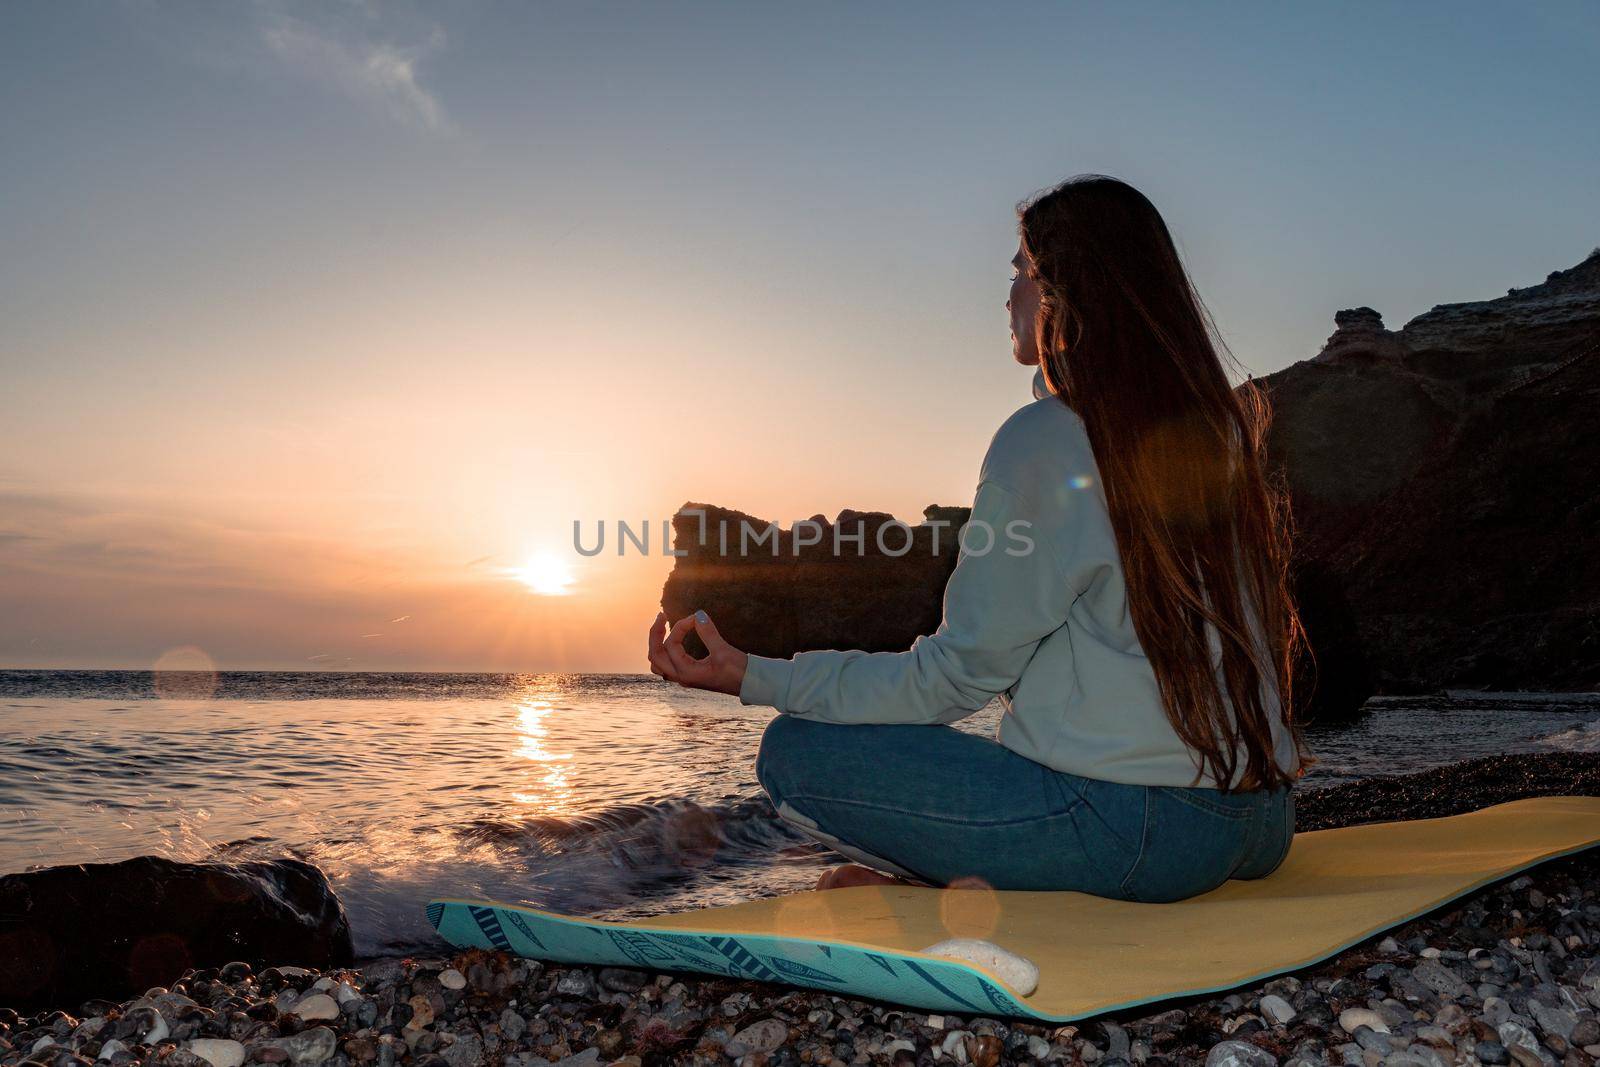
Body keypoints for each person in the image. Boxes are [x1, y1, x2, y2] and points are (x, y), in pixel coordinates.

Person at [646, 174, 1315, 903]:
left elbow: (953, 677)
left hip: (1142, 836)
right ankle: (933, 872)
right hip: (1260, 821)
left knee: (796, 750)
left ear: (1068, 292)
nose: (1009, 296)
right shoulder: (1219, 433)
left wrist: (751, 675)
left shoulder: (1047, 441)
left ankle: (926, 883)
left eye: (1023, 272)